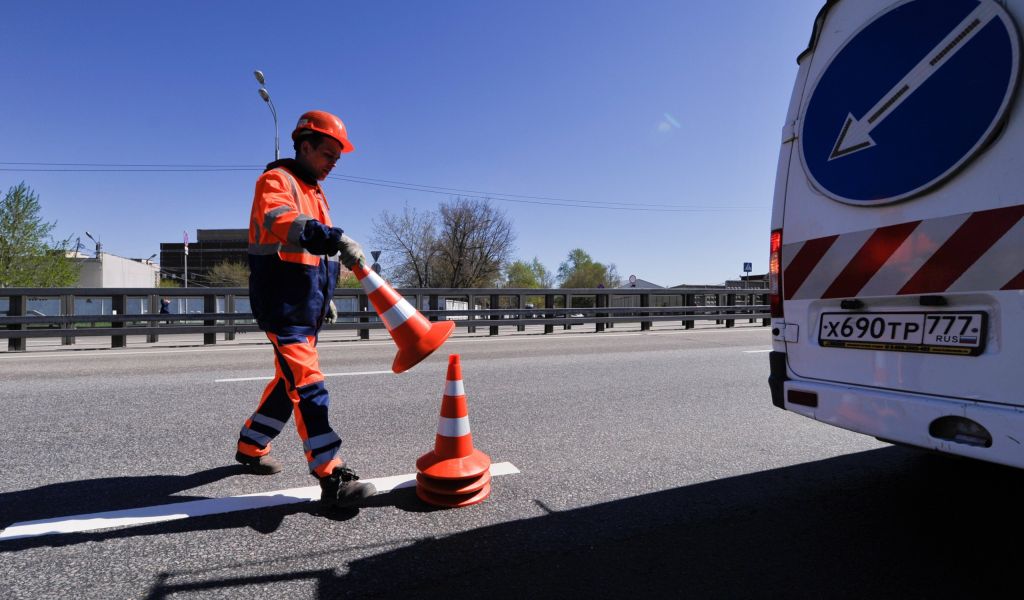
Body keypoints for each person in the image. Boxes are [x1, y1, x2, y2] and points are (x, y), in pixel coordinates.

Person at [235, 110, 375, 509]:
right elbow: (286, 223)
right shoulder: (276, 181)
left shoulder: (314, 190)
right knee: (309, 386)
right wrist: (332, 236)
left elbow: (310, 255)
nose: (333, 163)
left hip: (305, 304)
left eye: (337, 157)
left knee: (288, 384)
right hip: (282, 304)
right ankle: (330, 473)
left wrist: (323, 293)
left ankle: (251, 444)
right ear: (305, 145)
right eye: (328, 154)